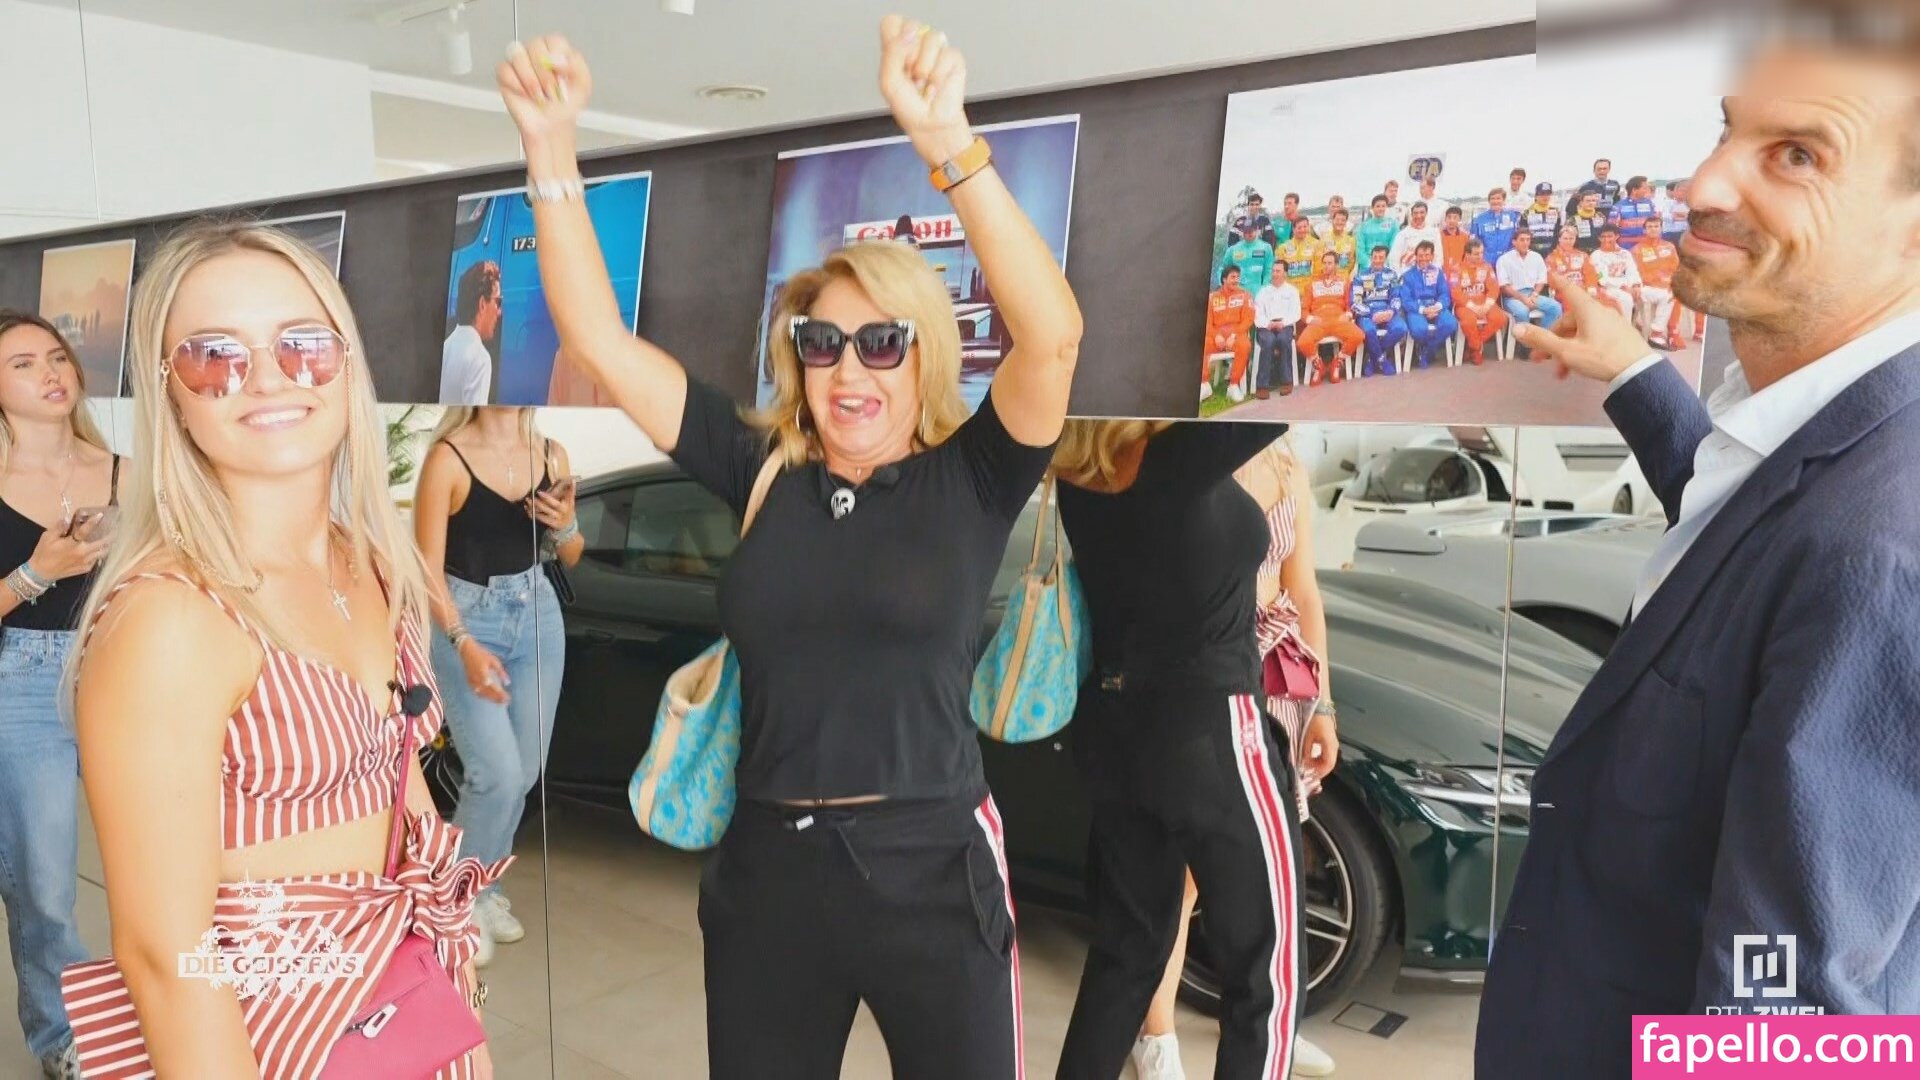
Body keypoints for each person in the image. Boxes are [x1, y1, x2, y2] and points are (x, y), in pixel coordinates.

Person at [501, 23, 1082, 1076]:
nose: (849, 370)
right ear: (797, 359)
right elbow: (597, 340)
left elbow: (1052, 338)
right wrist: (549, 148)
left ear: (922, 356)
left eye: (880, 342)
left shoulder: (973, 478)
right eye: (822, 344)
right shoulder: (761, 469)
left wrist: (947, 142)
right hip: (770, 871)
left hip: (931, 865)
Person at [1477, 43, 1920, 1078]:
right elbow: (1752, 538)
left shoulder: (1880, 550)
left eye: (1799, 154)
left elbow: (1788, 1024)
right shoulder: (1840, 459)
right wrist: (1636, 373)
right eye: (1730, 130)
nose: (1702, 185)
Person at [65, 222, 502, 1078]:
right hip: (273, 1045)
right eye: (214, 355)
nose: (268, 377)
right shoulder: (171, 619)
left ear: (347, 362)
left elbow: (409, 811)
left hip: (403, 1012)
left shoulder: (369, 563)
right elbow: (169, 961)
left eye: (303, 343)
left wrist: (460, 1023)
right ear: (170, 391)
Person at [1052, 419, 1303, 1080]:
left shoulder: (1081, 470)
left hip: (1115, 727)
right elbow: (1290, 386)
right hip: (1207, 728)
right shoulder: (1175, 460)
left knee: (1124, 958)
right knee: (1268, 972)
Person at [1128, 435, 1341, 1080]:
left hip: (1276, 679)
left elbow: (1305, 592)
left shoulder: (1287, 467)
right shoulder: (1182, 457)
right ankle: (1155, 1036)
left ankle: (1274, 1022)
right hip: (1207, 674)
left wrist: (1324, 705)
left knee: (1274, 869)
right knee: (1188, 877)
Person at [414, 406, 582, 966]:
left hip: (537, 615)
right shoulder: (448, 459)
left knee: (525, 771)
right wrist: (463, 643)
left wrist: (566, 523)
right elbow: (426, 569)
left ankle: (483, 891)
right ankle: (455, 903)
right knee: (496, 775)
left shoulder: (551, 454)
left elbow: (572, 554)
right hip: (465, 620)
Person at [0, 312, 116, 1080]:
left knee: (161, 861)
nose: (49, 371)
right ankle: (63, 1035)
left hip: (121, 674)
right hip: (20, 683)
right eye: (21, 363)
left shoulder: (126, 471)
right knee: (44, 883)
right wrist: (35, 574)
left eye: (55, 356)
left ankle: (170, 1005)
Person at [1296, 251, 1366, 383]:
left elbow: (1351, 304)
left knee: (1358, 336)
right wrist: (1310, 319)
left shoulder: (1344, 283)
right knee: (1303, 342)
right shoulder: (1312, 284)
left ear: (1336, 265)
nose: (1326, 266)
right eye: (1324, 263)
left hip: (1338, 319)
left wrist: (1348, 315)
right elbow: (1304, 309)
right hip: (1319, 320)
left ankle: (1337, 362)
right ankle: (1319, 366)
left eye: (1330, 263)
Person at [441, 259, 502, 405]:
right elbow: (474, 415)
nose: (499, 312)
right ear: (482, 304)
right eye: (498, 302)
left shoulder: (446, 347)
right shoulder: (480, 360)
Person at [1497, 229, 1564, 346]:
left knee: (1556, 307)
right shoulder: (1504, 260)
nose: (1525, 243)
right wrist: (1523, 299)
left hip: (1533, 294)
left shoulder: (1536, 257)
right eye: (1522, 240)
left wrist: (1534, 294)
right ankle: (1526, 344)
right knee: (1522, 311)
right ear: (1514, 242)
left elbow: (1541, 280)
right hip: (1513, 297)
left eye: (1528, 240)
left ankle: (1541, 340)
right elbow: (1505, 287)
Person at [1397, 240, 1457, 370]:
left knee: (1451, 324)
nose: (1423, 258)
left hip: (1436, 308)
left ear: (1432, 256)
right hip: (1417, 309)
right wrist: (1423, 310)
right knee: (1419, 330)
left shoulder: (1438, 273)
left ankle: (1427, 351)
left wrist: (1438, 306)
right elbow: (1406, 300)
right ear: (1416, 256)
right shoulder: (1408, 276)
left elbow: (1445, 294)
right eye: (1420, 255)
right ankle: (1425, 349)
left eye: (1427, 255)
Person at [1351, 245, 1409, 377]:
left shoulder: (1392, 275)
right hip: (1367, 313)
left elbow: (1396, 297)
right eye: (1375, 257)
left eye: (1381, 257)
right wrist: (1371, 314)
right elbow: (1356, 302)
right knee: (1369, 331)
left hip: (1388, 311)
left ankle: (1374, 358)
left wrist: (1391, 312)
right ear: (1371, 257)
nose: (1377, 260)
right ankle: (1383, 361)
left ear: (1385, 258)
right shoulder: (1360, 276)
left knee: (1401, 328)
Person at [1205, 266, 1256, 403]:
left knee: (1244, 346)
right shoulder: (1212, 297)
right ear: (1224, 279)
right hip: (1216, 336)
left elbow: (1248, 319)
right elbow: (1207, 322)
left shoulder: (1245, 295)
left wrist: (1233, 335)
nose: (1236, 280)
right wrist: (1216, 335)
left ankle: (1233, 385)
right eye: (1233, 277)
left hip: (1237, 334)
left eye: (1238, 277)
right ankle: (1204, 384)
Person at [1452, 238, 1508, 364]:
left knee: (1500, 318)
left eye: (1482, 252)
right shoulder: (1457, 269)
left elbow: (1494, 288)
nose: (1480, 256)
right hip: (1464, 304)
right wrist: (1473, 307)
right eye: (1476, 254)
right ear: (1467, 254)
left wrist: (1487, 305)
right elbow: (1455, 292)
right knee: (1468, 322)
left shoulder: (1486, 267)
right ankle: (1476, 349)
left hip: (1484, 301)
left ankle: (1473, 346)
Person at [1252, 269, 1301, 399]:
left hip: (1285, 324)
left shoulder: (1292, 291)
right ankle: (1262, 386)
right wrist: (1267, 323)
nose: (1274, 274)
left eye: (1278, 271)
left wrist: (1283, 323)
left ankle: (1286, 381)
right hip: (1265, 326)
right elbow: (1257, 312)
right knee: (1268, 342)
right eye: (1273, 271)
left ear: (1285, 273)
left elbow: (1296, 313)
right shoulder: (1263, 292)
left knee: (1283, 340)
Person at [1632, 229, 1680, 351]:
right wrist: (1654, 281)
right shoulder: (1637, 249)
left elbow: (1676, 268)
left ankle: (1656, 334)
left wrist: (1671, 283)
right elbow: (1635, 272)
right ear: (1644, 230)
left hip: (1663, 286)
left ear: (1661, 228)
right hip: (1643, 287)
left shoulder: (1669, 246)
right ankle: (1639, 325)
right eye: (1650, 226)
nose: (1653, 229)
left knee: (1670, 296)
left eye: (1656, 226)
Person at [1588, 225, 1643, 318]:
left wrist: (1635, 285)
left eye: (1609, 236)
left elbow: (1632, 271)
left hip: (1627, 287)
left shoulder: (1625, 253)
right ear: (1599, 238)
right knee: (1626, 299)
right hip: (1607, 288)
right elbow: (1601, 278)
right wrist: (1622, 286)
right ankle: (1624, 325)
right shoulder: (1596, 255)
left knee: (1643, 295)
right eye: (1603, 237)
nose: (1606, 240)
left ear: (1616, 236)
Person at [1274, 217, 1324, 304]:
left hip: (1309, 291)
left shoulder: (1317, 245)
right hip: (1290, 292)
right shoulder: (1283, 247)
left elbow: (1319, 271)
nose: (1302, 230)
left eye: (1305, 227)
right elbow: (1279, 271)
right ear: (1293, 229)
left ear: (1309, 227)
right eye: (1299, 227)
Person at [1547, 224, 1601, 304]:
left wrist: (1591, 287)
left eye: (1571, 238)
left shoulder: (1583, 255)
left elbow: (1591, 275)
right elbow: (1551, 281)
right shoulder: (1551, 258)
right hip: (1563, 294)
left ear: (1575, 239)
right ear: (1559, 239)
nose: (1568, 241)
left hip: (1583, 292)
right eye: (1565, 238)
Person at [1221, 217, 1275, 294]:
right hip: (1236, 293)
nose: (1247, 234)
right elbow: (1223, 269)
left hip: (1257, 293)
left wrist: (1264, 290)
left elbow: (1268, 271)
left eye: (1250, 231)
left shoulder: (1266, 248)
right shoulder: (1233, 249)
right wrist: (1224, 286)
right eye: (1245, 231)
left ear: (1257, 230)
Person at [1471, 187, 1521, 268]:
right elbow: (1474, 240)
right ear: (1489, 201)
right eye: (1493, 198)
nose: (1495, 201)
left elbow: (1517, 236)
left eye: (1498, 198)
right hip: (1487, 261)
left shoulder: (1512, 216)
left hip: (1508, 260)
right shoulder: (1480, 219)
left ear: (1503, 200)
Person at [1388, 201, 1442, 272]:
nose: (1418, 216)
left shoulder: (1434, 233)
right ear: (1411, 214)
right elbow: (1394, 258)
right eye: (1415, 213)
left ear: (1426, 213)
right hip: (1408, 273)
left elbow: (1438, 257)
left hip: (1429, 273)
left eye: (1422, 212)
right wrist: (1399, 275)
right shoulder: (1403, 234)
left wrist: (1434, 273)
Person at [1610, 176, 1659, 249]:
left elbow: (1656, 224)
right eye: (1644, 188)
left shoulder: (1649, 204)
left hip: (1646, 245)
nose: (1647, 191)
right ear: (1634, 190)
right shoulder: (1618, 206)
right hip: (1625, 246)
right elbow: (1611, 228)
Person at [1354, 194, 1400, 270]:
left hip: (1386, 266)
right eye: (1378, 206)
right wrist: (1369, 264)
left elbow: (1394, 247)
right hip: (1366, 268)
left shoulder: (1393, 225)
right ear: (1372, 208)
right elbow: (1359, 250)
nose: (1381, 209)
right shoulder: (1363, 227)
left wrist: (1384, 264)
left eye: (1383, 206)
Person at [1519, 181, 1564, 252]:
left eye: (1548, 194)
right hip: (1532, 251)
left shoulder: (1556, 211)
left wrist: (1554, 249)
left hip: (1551, 251)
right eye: (1542, 194)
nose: (1545, 197)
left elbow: (1558, 232)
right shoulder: (1526, 213)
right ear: (1536, 196)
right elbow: (1523, 233)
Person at [1320, 208, 1358, 277]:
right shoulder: (1324, 238)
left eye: (1343, 220)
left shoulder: (1351, 240)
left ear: (1346, 222)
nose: (1340, 222)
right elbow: (1320, 260)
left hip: (1344, 277)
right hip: (1327, 278)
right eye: (1337, 220)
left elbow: (1351, 262)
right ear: (1332, 220)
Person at [1438, 205, 1470, 272]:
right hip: (1443, 271)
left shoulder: (1465, 236)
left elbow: (1467, 255)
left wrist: (1461, 267)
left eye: (1455, 218)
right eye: (1449, 217)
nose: (1451, 220)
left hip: (1460, 270)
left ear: (1459, 219)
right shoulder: (1439, 236)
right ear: (1445, 219)